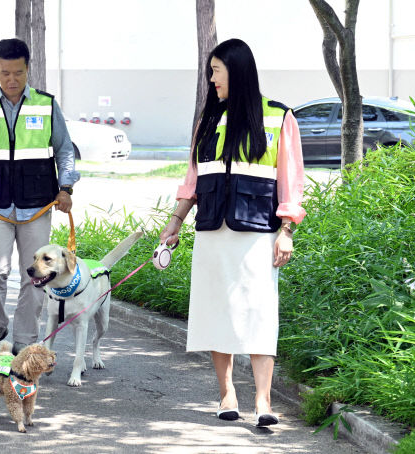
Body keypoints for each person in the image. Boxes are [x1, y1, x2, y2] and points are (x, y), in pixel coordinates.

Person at [159, 38, 306, 427]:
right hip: (212, 232)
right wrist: (174, 222)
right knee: (214, 313)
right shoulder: (208, 120)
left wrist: (287, 229)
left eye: (216, 70)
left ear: (236, 71)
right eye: (210, 71)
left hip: (258, 232)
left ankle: (263, 402)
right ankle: (227, 394)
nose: (211, 79)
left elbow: (291, 180)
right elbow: (193, 179)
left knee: (260, 315)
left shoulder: (278, 117)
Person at [0, 38, 80, 358]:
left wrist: (65, 189)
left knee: (36, 273)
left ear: (28, 69)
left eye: (18, 73)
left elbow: (65, 150)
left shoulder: (46, 104)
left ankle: (26, 337)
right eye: (5, 73)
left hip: (37, 205)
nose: (12, 80)